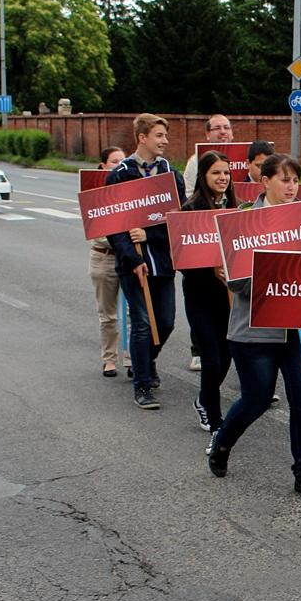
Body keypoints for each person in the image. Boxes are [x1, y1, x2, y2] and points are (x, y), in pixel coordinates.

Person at [205, 154, 301, 498]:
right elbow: (237, 284)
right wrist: (282, 271)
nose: (292, 187)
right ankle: (223, 442)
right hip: (253, 331)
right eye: (284, 180)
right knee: (256, 399)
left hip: (295, 331)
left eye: (295, 180)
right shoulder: (244, 221)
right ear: (265, 181)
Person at [106, 114, 186, 410]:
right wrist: (132, 256)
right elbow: (113, 224)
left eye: (165, 135)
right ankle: (141, 385)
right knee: (141, 323)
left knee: (165, 322)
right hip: (133, 265)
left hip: (162, 261)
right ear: (142, 137)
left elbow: (177, 220)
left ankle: (146, 359)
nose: (165, 141)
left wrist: (150, 234)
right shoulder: (121, 174)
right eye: (159, 135)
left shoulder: (170, 174)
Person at [182, 150, 238, 434]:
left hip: (227, 296)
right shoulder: (190, 210)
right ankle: (213, 417)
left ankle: (204, 398)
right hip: (199, 294)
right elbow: (183, 261)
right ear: (203, 176)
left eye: (226, 173)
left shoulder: (236, 208)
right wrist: (210, 270)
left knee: (227, 354)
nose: (222, 178)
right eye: (216, 172)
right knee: (212, 357)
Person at [88, 146, 131, 378]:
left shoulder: (132, 189)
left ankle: (132, 359)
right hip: (104, 257)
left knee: (135, 313)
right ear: (103, 165)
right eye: (114, 161)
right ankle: (109, 359)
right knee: (108, 314)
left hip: (129, 258)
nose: (119, 165)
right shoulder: (95, 192)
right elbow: (96, 229)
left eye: (123, 160)